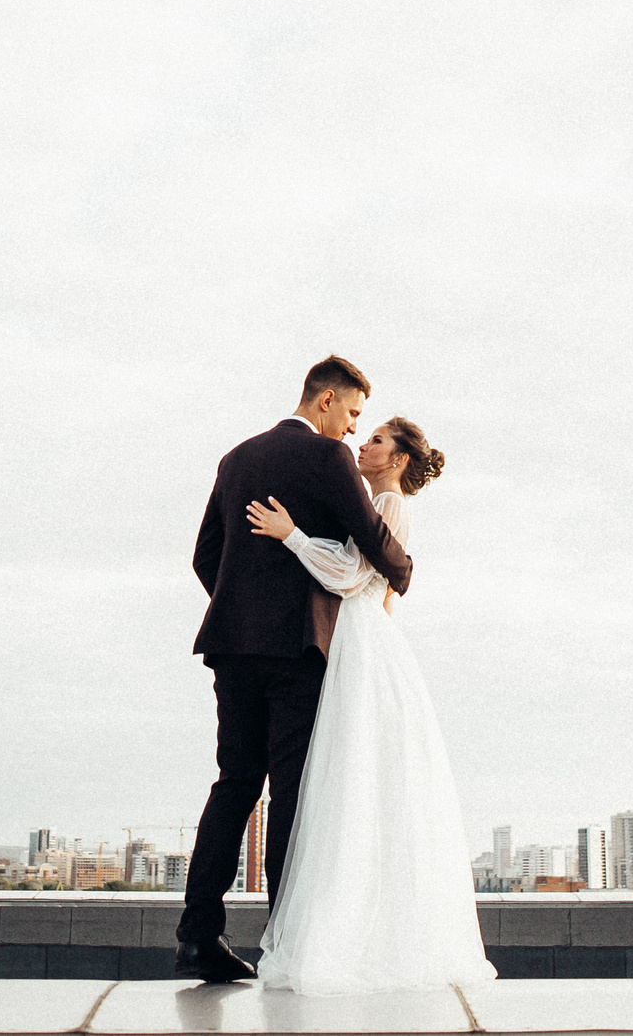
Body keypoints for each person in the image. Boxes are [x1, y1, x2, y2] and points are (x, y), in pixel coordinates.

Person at [176, 355, 412, 984]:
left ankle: (199, 936)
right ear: (327, 400)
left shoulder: (236, 458)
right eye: (354, 414)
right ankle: (282, 941)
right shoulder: (327, 460)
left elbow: (206, 557)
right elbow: (368, 534)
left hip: (232, 647)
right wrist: (404, 569)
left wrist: (243, 607)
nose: (354, 431)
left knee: (233, 784)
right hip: (296, 651)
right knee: (291, 793)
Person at [243, 414, 497, 993]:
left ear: (399, 459)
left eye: (378, 439)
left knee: (350, 774)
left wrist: (292, 535)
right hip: (359, 640)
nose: (364, 442)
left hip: (360, 642)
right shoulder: (376, 503)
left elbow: (353, 576)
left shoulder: (390, 505)